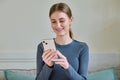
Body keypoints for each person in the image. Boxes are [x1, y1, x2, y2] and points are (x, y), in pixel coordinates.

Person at [36, 2, 89, 80]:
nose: (58, 25)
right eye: (54, 22)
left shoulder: (82, 47)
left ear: (70, 20)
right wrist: (48, 66)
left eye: (62, 21)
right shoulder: (42, 47)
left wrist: (67, 67)